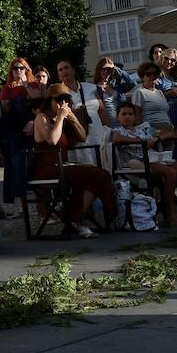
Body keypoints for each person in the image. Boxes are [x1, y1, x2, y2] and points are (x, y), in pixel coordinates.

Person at [31, 84, 116, 238]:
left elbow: (82, 137)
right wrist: (60, 118)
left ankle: (71, 218)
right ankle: (78, 218)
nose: (62, 103)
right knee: (96, 175)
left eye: (65, 99)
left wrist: (73, 118)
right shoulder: (42, 118)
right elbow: (52, 140)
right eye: (58, 100)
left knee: (98, 175)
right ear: (49, 101)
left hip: (63, 166)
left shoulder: (63, 119)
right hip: (46, 169)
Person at [110, 100, 177, 227]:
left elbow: (169, 132)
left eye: (130, 114)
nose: (127, 117)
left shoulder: (144, 129)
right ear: (118, 117)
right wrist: (140, 141)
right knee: (170, 173)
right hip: (138, 161)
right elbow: (116, 139)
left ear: (135, 116)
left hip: (155, 157)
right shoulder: (118, 130)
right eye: (123, 114)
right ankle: (170, 214)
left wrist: (157, 138)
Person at [0, 57, 36, 204]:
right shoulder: (7, 88)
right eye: (15, 68)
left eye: (21, 68)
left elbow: (37, 101)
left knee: (33, 164)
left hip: (33, 128)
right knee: (16, 166)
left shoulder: (33, 85)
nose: (18, 71)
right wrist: (7, 100)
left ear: (27, 70)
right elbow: (5, 109)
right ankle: (22, 204)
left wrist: (25, 84)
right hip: (15, 130)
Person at [55, 59, 110, 158]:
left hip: (98, 135)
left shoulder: (91, 88)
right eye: (60, 70)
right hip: (77, 141)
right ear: (58, 75)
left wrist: (108, 131)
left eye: (67, 68)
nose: (64, 71)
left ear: (73, 70)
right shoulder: (58, 93)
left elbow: (102, 111)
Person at [129, 62, 177, 138]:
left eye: (155, 73)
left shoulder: (159, 92)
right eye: (148, 74)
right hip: (153, 130)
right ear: (142, 77)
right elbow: (137, 115)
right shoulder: (139, 92)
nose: (152, 76)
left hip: (168, 128)